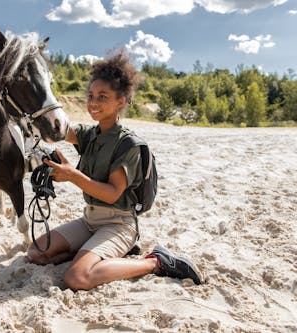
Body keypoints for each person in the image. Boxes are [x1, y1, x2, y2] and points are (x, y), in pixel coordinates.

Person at [27, 50, 203, 291]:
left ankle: (156, 262)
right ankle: (100, 253)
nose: (93, 103)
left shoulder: (127, 144)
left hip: (118, 224)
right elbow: (58, 130)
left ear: (121, 100)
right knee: (36, 253)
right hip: (89, 220)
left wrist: (72, 175)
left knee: (77, 278)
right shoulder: (91, 134)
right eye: (90, 96)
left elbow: (111, 194)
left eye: (102, 96)